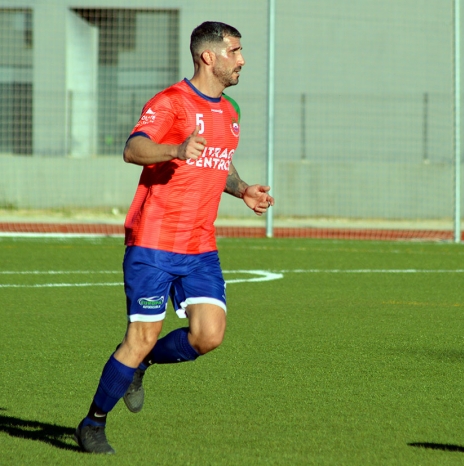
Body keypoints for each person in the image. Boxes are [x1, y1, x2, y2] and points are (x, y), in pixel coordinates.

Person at [74, 21, 274, 454]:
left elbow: (218, 163)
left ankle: (142, 363)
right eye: (235, 51)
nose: (242, 60)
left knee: (209, 336)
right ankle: (93, 422)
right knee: (141, 335)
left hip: (200, 246)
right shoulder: (171, 103)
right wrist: (175, 149)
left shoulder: (231, 111)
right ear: (209, 56)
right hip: (153, 242)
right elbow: (133, 148)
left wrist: (242, 190)